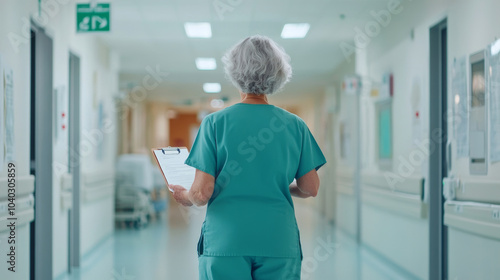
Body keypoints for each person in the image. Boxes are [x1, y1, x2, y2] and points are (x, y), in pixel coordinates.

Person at [169, 35, 326, 280]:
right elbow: (310, 187)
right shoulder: (295, 125)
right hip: (278, 241)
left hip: (226, 242)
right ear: (278, 74)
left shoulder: (214, 123)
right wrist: (278, 185)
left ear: (235, 73)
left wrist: (184, 196)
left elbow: (201, 194)